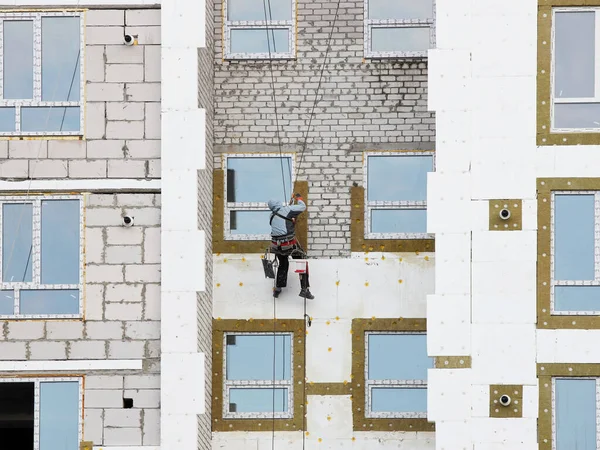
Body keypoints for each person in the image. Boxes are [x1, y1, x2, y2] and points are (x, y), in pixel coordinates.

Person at [268, 193, 314, 299]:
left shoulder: (271, 215)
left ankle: (278, 289)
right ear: (278, 203)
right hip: (288, 244)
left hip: (276, 246)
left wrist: (290, 219)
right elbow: (302, 207)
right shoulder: (287, 210)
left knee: (283, 264)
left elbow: (280, 225)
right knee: (301, 261)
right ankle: (304, 289)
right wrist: (298, 197)